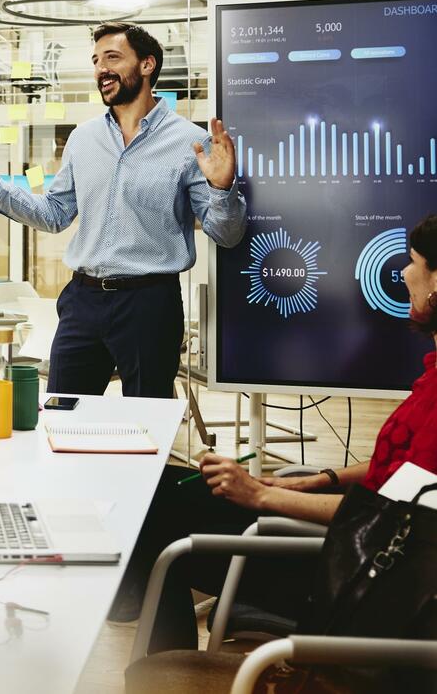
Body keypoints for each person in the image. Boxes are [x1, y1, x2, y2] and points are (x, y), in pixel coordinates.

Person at [115, 213, 437, 652]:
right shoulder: (431, 376)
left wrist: (262, 495)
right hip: (355, 532)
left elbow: (397, 516)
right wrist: (321, 479)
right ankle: (163, 657)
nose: (403, 272)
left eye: (415, 261)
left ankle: (162, 662)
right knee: (157, 490)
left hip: (353, 564)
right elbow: (400, 469)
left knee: (163, 528)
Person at [0, 22, 247, 398]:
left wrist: (222, 188)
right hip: (82, 301)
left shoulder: (190, 142)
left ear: (147, 65)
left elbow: (229, 233)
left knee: (145, 424)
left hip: (149, 303)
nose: (100, 69)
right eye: (95, 60)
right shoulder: (83, 138)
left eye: (112, 57)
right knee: (64, 415)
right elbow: (55, 213)